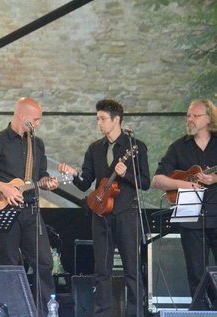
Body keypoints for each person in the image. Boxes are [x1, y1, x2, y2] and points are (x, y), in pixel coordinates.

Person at [0, 97, 59, 316]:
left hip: (31, 210)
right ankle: (12, 310)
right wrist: (4, 187)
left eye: (39, 120)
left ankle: (45, 312)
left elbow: (41, 174)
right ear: (21, 116)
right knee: (9, 263)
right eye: (35, 120)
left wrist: (48, 182)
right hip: (5, 211)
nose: (37, 124)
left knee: (44, 262)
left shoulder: (37, 143)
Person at [58, 99, 150, 317]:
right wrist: (72, 175)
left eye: (102, 119)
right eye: (97, 118)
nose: (98, 123)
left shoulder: (135, 146)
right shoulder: (95, 148)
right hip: (100, 215)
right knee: (102, 271)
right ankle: (102, 313)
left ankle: (136, 313)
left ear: (116, 119)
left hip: (127, 214)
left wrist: (126, 173)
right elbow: (84, 183)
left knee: (132, 270)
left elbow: (145, 182)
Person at [151, 98, 217, 298]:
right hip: (190, 219)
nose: (190, 119)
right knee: (196, 275)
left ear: (208, 119)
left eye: (195, 116)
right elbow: (157, 180)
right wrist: (185, 185)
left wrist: (214, 178)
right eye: (188, 115)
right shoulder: (178, 147)